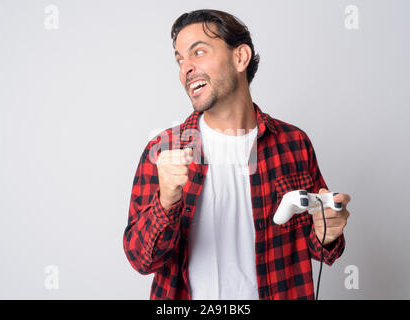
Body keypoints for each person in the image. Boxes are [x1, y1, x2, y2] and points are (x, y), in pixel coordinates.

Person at [123, 9, 351, 300]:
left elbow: (322, 249)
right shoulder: (165, 150)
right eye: (180, 60)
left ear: (240, 57)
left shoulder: (294, 143)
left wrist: (329, 231)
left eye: (198, 52)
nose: (185, 69)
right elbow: (142, 260)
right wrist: (166, 202)